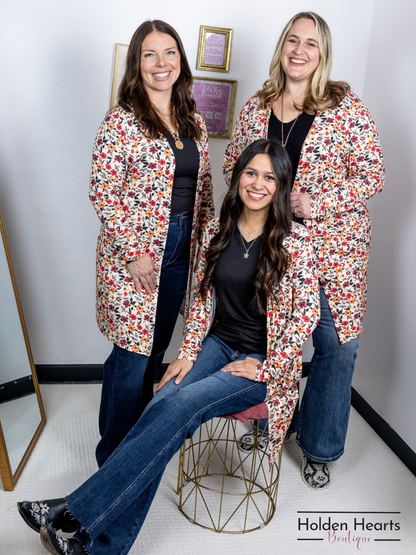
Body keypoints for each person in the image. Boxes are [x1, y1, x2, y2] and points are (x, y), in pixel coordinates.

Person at [17, 139, 320, 555]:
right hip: (217, 343)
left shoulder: (297, 244)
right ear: (239, 176)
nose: (258, 183)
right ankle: (102, 546)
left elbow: (307, 319)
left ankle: (72, 510)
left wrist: (265, 369)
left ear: (282, 185)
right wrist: (188, 351)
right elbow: (199, 299)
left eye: (270, 177)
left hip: (261, 363)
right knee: (163, 399)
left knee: (181, 404)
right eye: (251, 172)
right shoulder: (219, 229)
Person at [224, 12, 385, 490]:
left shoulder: (344, 105)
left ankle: (319, 446)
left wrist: (319, 202)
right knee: (267, 336)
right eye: (292, 40)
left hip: (335, 248)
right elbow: (237, 169)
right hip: (271, 245)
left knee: (336, 345)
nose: (299, 50)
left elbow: (373, 175)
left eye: (310, 44)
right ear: (281, 48)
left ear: (323, 53)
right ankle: (266, 420)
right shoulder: (257, 106)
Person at [89, 20, 214, 468]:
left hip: (183, 245)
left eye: (170, 54)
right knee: (131, 352)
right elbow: (103, 190)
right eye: (149, 55)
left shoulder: (192, 119)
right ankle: (113, 462)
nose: (161, 64)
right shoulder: (122, 120)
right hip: (137, 253)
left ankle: (135, 440)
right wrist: (134, 252)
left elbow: (203, 189)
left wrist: (208, 244)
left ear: (181, 60)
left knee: (156, 346)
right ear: (136, 64)